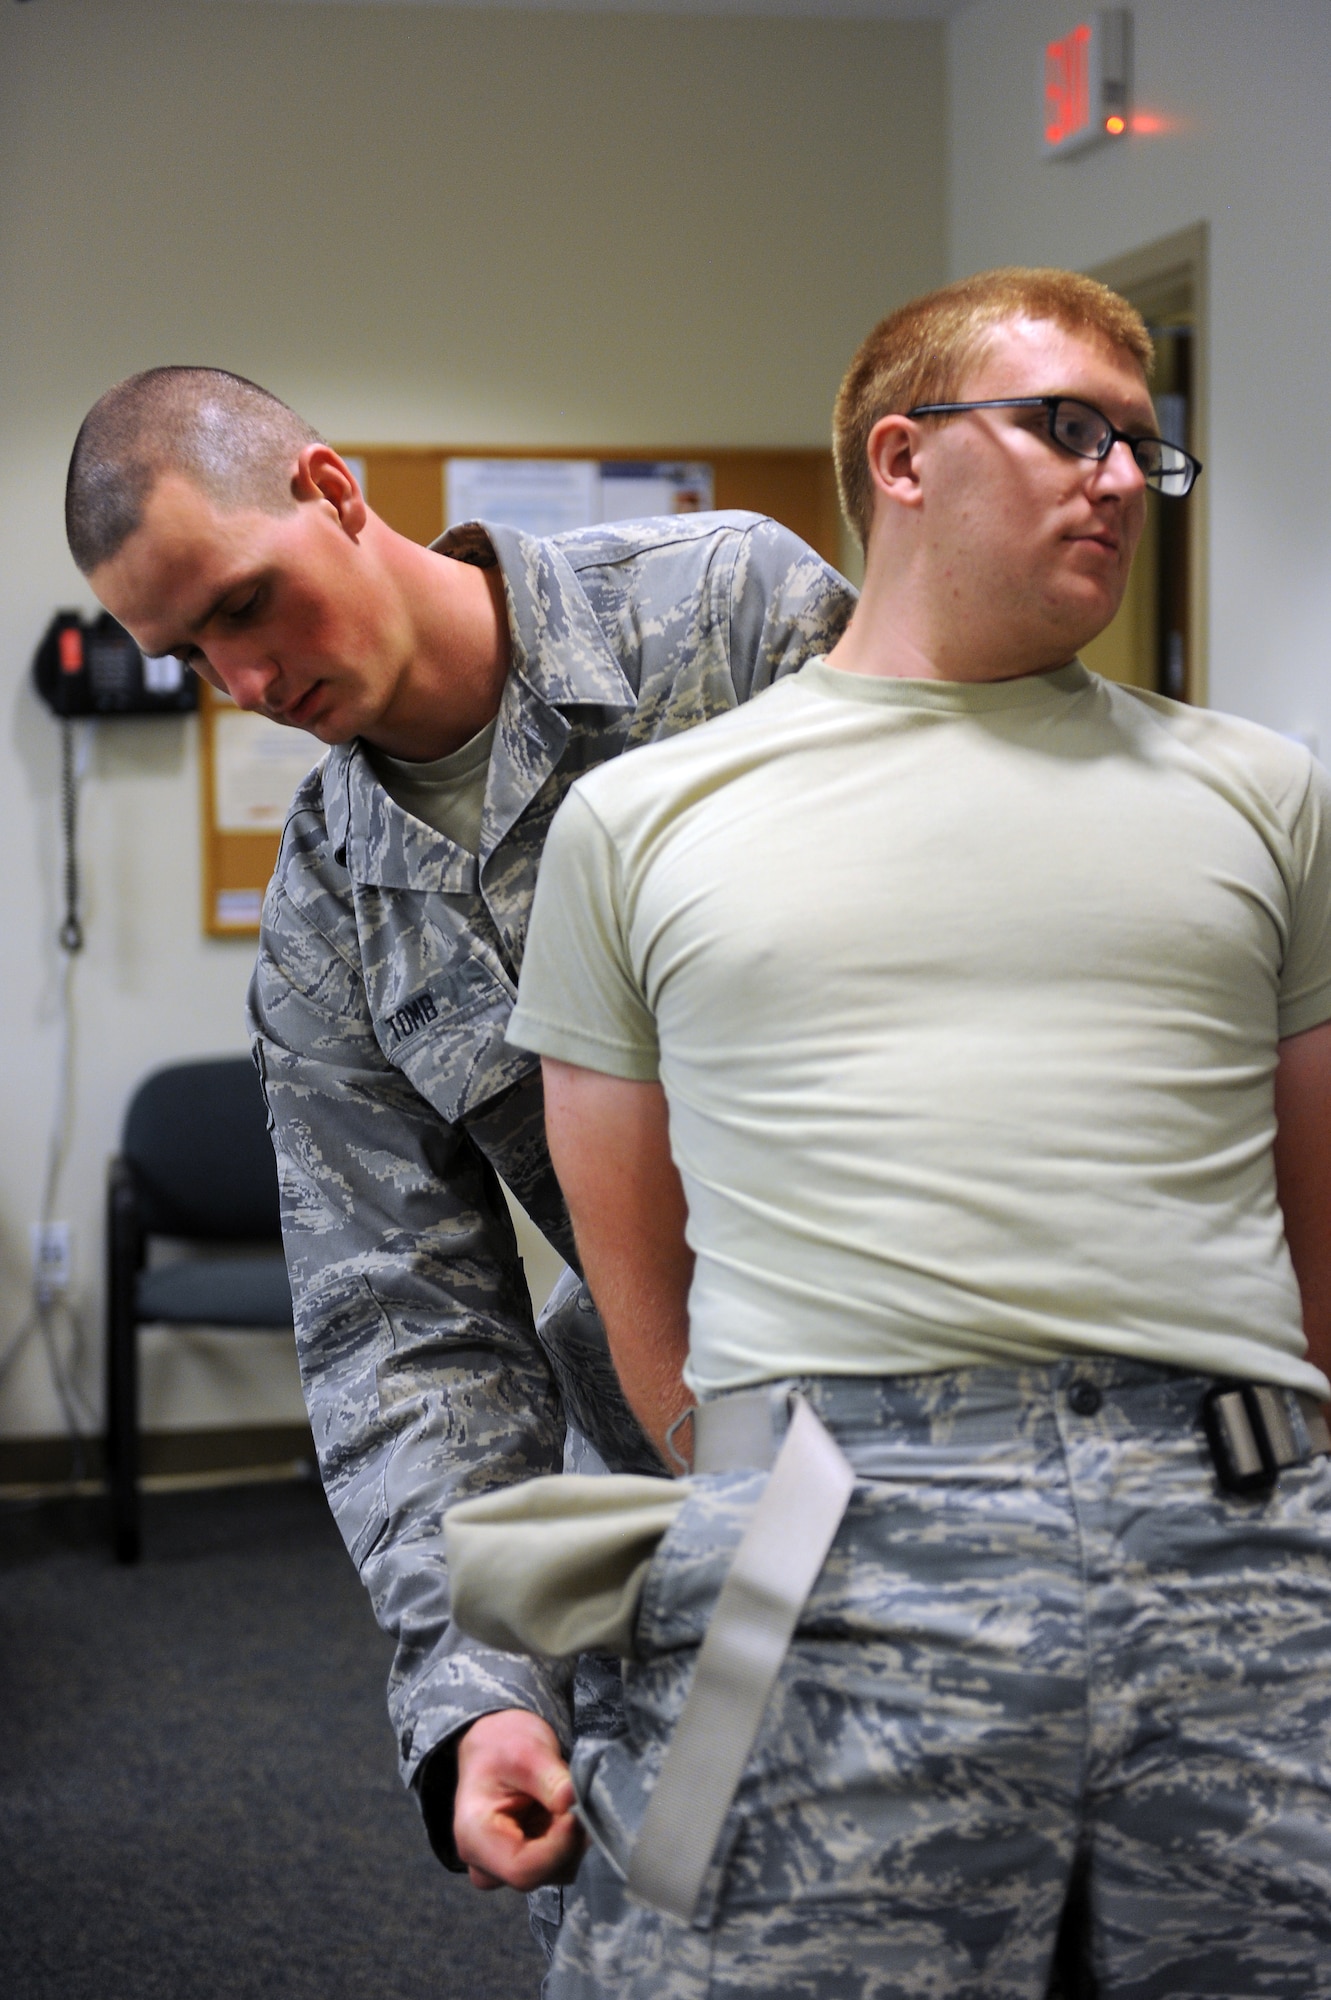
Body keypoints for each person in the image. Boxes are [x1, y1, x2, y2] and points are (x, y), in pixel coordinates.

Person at [506, 268, 1331, 1997]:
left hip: (1236, 1555)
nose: (1119, 476)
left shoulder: (1267, 795)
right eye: (1068, 429)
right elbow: (631, 1271)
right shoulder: (646, 821)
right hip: (827, 1547)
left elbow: (1316, 1208)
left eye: (1144, 451)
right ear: (902, 456)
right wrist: (747, 1483)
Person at [64, 366, 857, 1941]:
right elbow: (405, 1326)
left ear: (333, 490)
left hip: (978, 1408)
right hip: (689, 1450)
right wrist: (480, 1689)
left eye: (246, 602)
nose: (244, 677)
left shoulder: (733, 617)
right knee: (662, 1937)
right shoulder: (327, 917)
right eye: (193, 652)